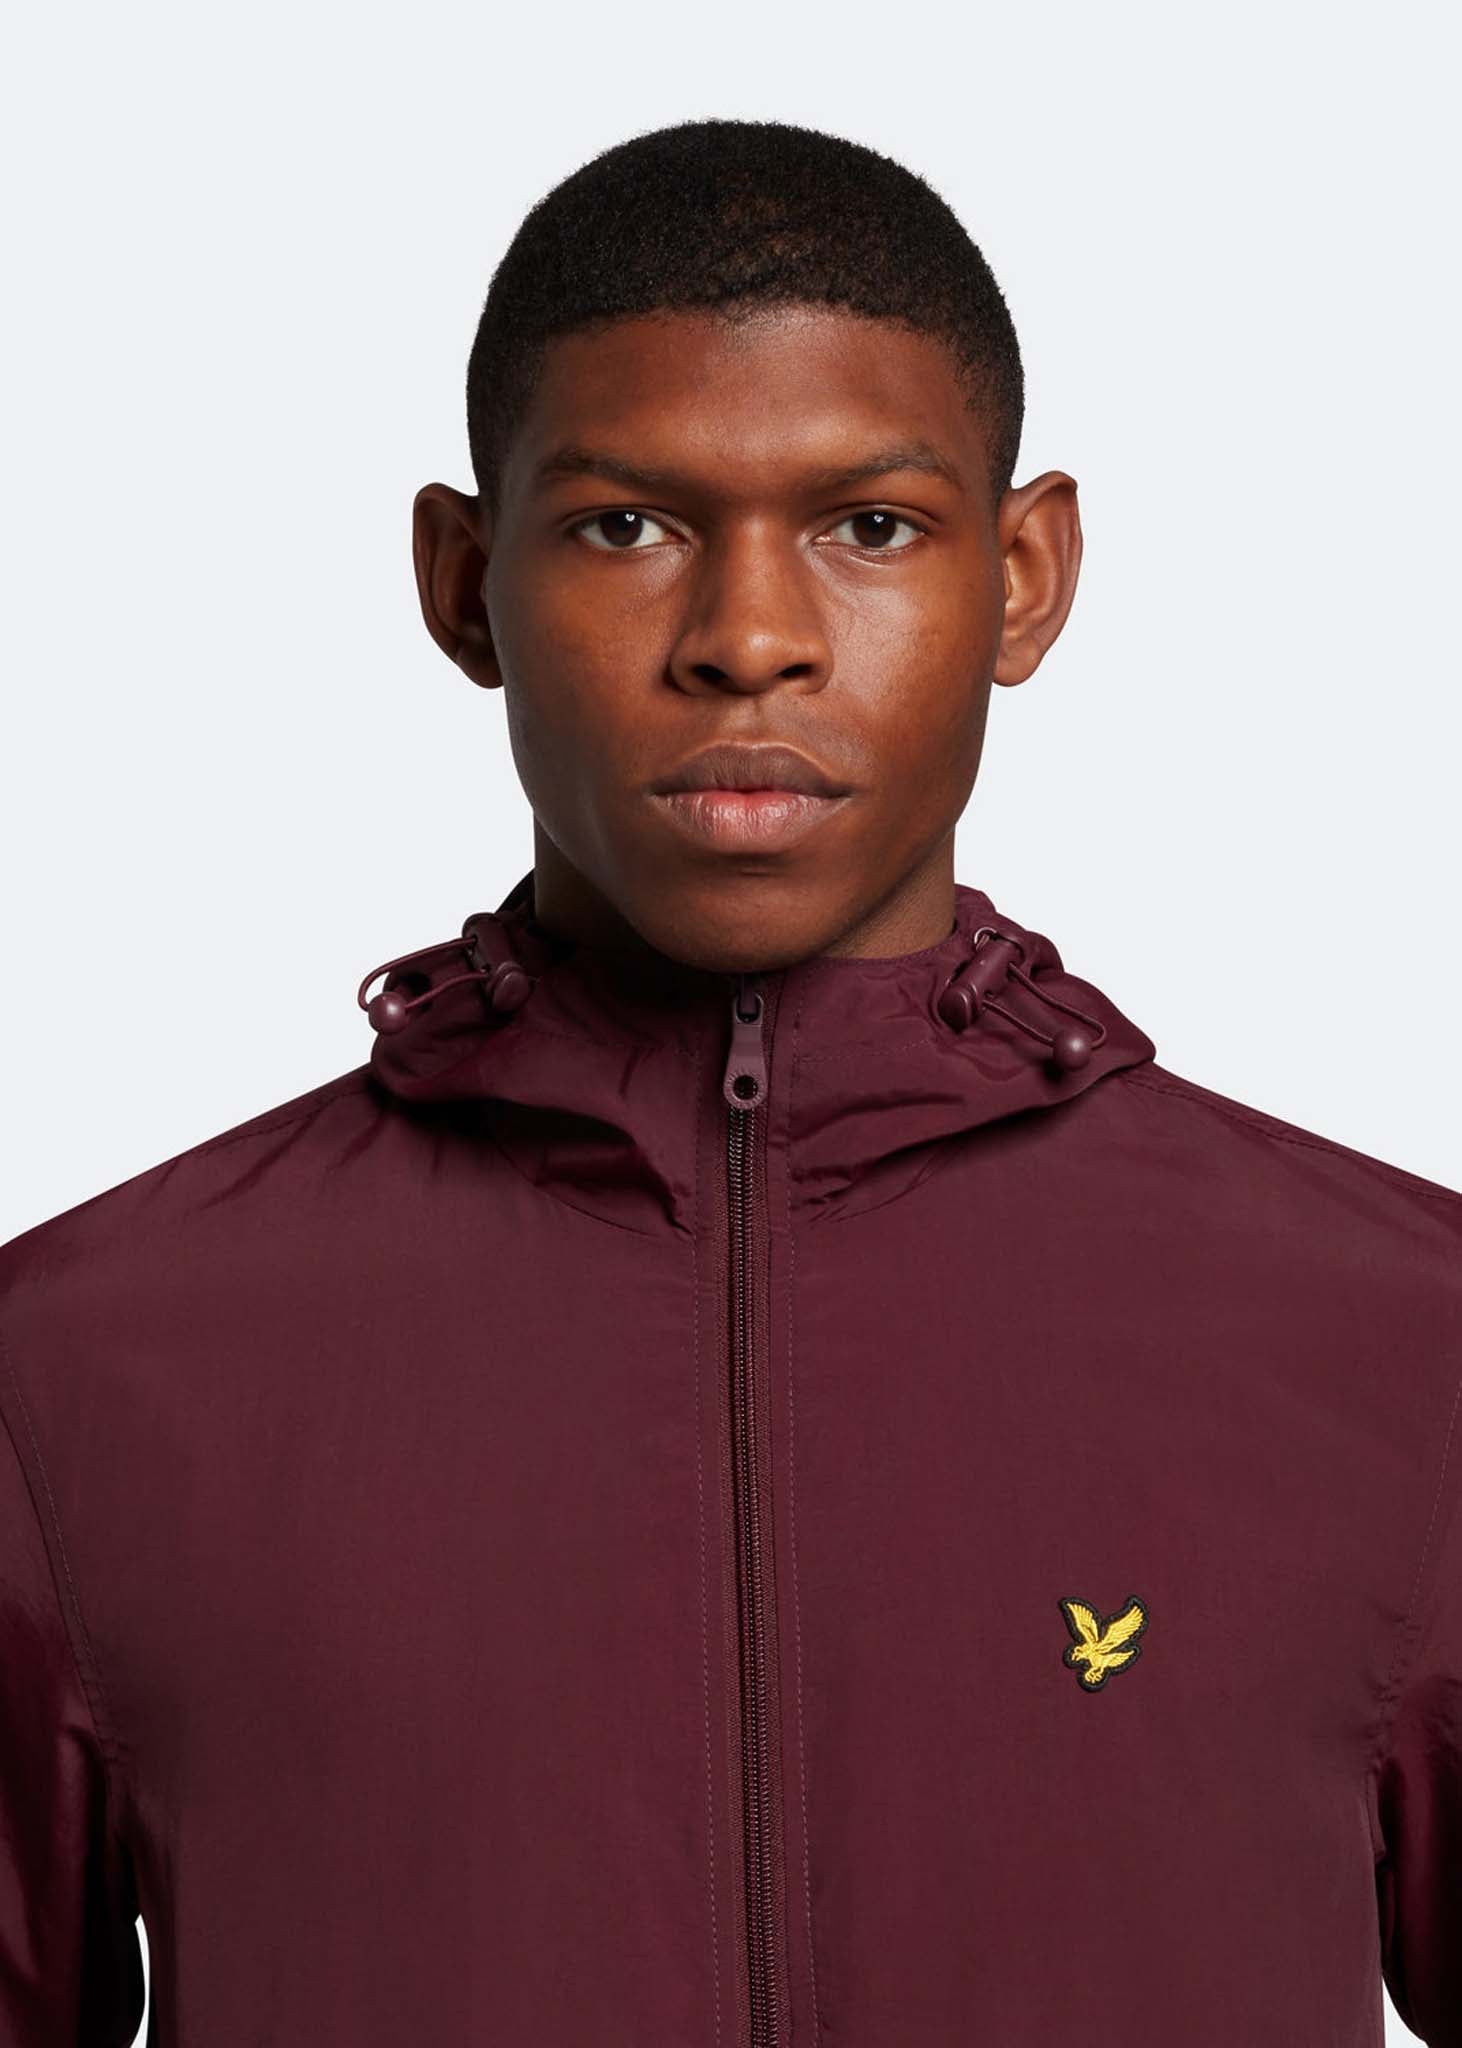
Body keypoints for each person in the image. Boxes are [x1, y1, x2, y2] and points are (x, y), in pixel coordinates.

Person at [2, 115, 1458, 2048]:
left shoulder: (1405, 1347)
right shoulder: (74, 1374)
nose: (750, 640)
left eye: (870, 526)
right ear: (463, 582)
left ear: (1023, 575)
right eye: (628, 525)